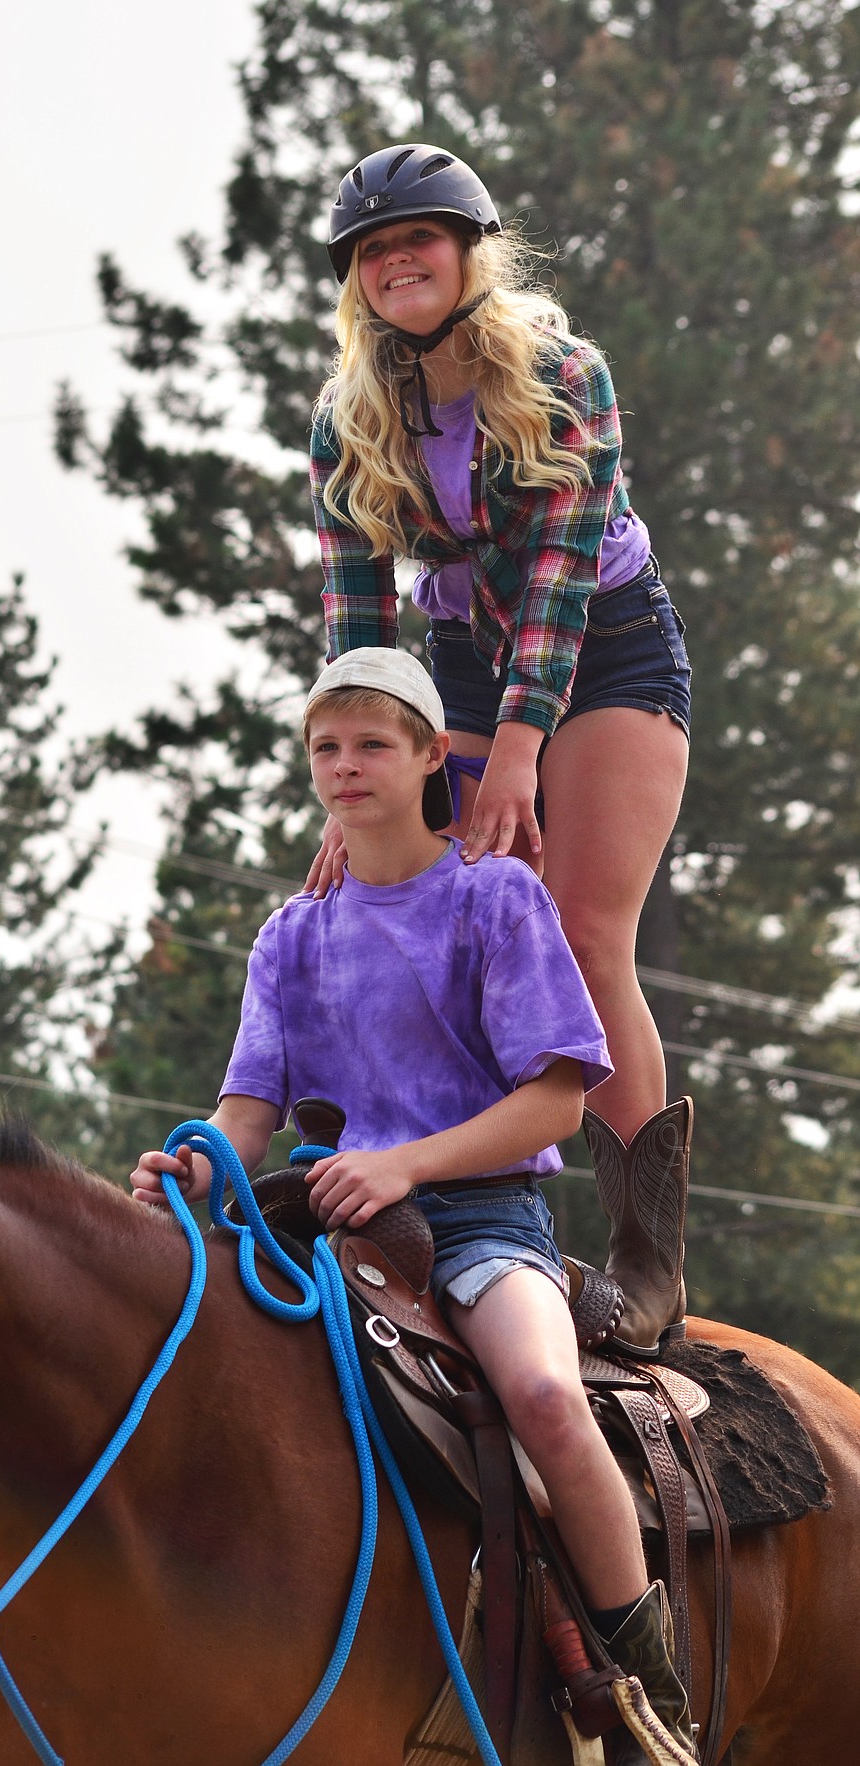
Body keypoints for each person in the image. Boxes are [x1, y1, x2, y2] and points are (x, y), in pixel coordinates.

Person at [131, 648, 696, 1761]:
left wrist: (407, 1165)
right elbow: (247, 1111)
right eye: (326, 749)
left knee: (539, 1388)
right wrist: (193, 1172)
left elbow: (551, 1101)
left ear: (436, 754)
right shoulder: (293, 932)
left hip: (485, 1220)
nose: (345, 768)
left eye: (372, 744)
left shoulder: (496, 897)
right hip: (322, 1225)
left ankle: (646, 1682)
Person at [307, 143, 693, 1361]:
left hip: (610, 643)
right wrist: (354, 784)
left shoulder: (566, 374)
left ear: (472, 252)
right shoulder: (348, 420)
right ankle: (444, 1205)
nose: (397, 261)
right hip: (460, 656)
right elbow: (359, 621)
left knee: (579, 927)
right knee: (422, 904)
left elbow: (563, 584)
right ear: (357, 282)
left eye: (418, 238)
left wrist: (522, 746)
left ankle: (647, 1254)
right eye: (374, 251)